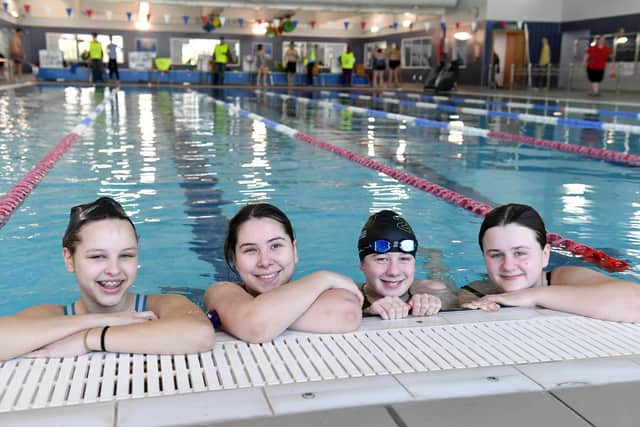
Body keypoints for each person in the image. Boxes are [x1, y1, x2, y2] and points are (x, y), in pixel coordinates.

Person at [0, 197, 215, 361]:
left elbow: (201, 334)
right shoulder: (54, 315)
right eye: (97, 256)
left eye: (126, 255)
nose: (114, 270)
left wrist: (90, 338)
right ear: (69, 259)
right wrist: (103, 319)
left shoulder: (162, 305)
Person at [204, 203, 363, 343]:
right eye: (250, 250)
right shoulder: (221, 291)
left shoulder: (312, 290)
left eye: (275, 246)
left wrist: (243, 318)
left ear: (294, 250)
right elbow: (256, 325)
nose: (265, 262)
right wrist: (324, 278)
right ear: (234, 259)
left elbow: (347, 314)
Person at [461, 203, 640, 322]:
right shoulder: (475, 292)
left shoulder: (565, 277)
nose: (508, 266)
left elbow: (635, 301)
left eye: (520, 253)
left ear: (545, 254)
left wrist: (532, 295)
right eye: (496, 255)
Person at [358, 210, 452, 320]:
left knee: (437, 272)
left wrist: (435, 305)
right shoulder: (347, 296)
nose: (394, 272)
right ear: (362, 265)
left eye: (404, 258)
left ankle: (434, 258)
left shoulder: (434, 290)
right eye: (381, 259)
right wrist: (367, 313)